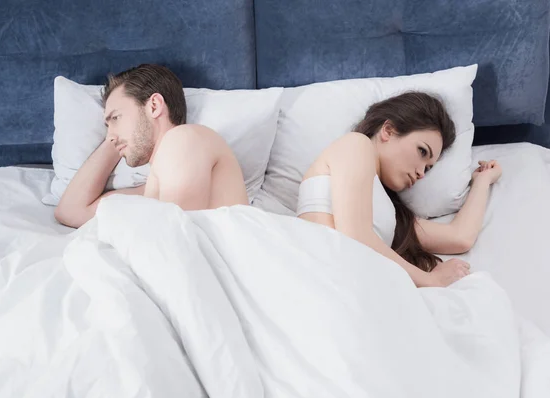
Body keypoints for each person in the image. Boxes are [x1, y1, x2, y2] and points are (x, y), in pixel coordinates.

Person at [296, 92, 502, 288]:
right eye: (422, 151)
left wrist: (482, 181)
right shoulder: (356, 144)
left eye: (428, 168)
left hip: (347, 286)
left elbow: (459, 238)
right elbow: (354, 238)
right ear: (388, 130)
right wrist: (431, 280)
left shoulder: (388, 210)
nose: (422, 172)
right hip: (322, 278)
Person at [54, 64, 249, 228]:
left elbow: (177, 241)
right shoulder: (153, 188)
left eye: (116, 117)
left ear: (154, 106)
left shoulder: (184, 137)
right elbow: (71, 211)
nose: (109, 136)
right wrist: (116, 136)